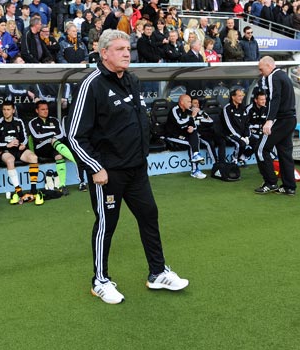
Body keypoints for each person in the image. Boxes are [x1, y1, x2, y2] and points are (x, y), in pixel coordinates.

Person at [67, 30, 189, 305]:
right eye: (120, 49)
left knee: (150, 216)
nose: (126, 53)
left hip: (136, 169)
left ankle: (158, 272)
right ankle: (100, 281)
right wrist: (95, 167)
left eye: (128, 48)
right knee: (106, 225)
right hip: (108, 173)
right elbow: (75, 135)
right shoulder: (92, 85)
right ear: (104, 53)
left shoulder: (132, 80)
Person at [255, 56, 297, 195]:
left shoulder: (273, 77)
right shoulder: (284, 75)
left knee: (261, 149)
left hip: (281, 119)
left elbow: (274, 98)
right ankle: (289, 186)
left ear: (269, 66)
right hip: (290, 119)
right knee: (285, 153)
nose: (261, 72)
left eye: (261, 69)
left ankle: (270, 182)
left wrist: (269, 120)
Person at [0, 100, 43, 205]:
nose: (6, 112)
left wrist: (23, 144)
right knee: (10, 160)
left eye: (8, 109)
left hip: (19, 149)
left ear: (13, 110)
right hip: (5, 150)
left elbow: (25, 138)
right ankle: (18, 191)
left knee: (34, 158)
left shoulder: (19, 122)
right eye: (4, 109)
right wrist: (7, 145)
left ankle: (33, 190)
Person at [28, 100, 77, 194]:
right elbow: (36, 137)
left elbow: (61, 135)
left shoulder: (54, 120)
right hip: (40, 149)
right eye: (42, 109)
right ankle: (76, 161)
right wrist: (51, 135)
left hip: (53, 147)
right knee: (54, 140)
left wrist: (48, 136)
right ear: (37, 111)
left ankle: (62, 185)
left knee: (59, 156)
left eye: (46, 109)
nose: (45, 111)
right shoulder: (32, 122)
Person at [165, 94, 207, 179]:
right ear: (181, 102)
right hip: (172, 135)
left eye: (190, 102)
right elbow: (180, 123)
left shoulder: (188, 110)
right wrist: (192, 117)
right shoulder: (174, 110)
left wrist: (192, 127)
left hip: (183, 134)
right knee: (190, 143)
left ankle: (196, 154)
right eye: (188, 102)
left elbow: (193, 124)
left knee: (194, 133)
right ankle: (195, 171)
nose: (190, 104)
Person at [222, 89, 251, 166]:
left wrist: (247, 136)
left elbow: (247, 123)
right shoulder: (227, 108)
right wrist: (240, 137)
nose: (241, 97)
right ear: (233, 97)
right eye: (239, 96)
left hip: (243, 135)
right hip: (230, 134)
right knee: (241, 144)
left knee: (257, 143)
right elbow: (229, 125)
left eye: (242, 96)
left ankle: (242, 157)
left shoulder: (243, 108)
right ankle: (234, 160)